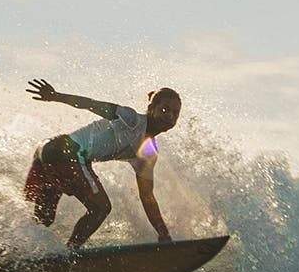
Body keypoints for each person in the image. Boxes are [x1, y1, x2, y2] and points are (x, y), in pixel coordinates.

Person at [22, 80, 182, 249]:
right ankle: (71, 253)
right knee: (101, 207)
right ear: (152, 107)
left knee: (44, 220)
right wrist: (55, 96)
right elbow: (91, 104)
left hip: (48, 151)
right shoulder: (131, 118)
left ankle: (21, 251)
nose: (170, 116)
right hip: (65, 153)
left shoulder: (148, 153)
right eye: (165, 109)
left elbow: (147, 197)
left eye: (175, 113)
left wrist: (163, 233)